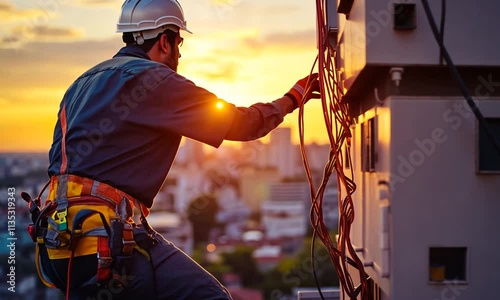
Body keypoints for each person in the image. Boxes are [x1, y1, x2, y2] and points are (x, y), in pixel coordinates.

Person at [27, 0, 320, 299]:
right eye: (179, 41)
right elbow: (242, 124)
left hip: (59, 248)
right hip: (108, 245)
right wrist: (293, 97)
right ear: (164, 41)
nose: (180, 52)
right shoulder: (154, 80)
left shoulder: (79, 84)